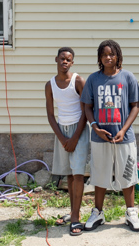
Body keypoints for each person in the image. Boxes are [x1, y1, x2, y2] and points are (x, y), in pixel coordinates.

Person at [81, 39, 139, 232]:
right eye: (104, 54)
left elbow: (135, 106)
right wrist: (95, 127)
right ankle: (97, 212)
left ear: (118, 56)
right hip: (100, 137)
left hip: (124, 137)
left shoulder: (128, 77)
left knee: (127, 175)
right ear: (100, 58)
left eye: (112, 54)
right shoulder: (93, 79)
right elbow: (87, 107)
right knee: (99, 175)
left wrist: (123, 129)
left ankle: (131, 212)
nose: (108, 57)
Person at [45, 47, 89, 236]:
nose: (65, 62)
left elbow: (86, 111)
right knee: (69, 176)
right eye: (62, 58)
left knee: (78, 174)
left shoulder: (78, 81)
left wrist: (75, 138)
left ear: (72, 62)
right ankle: (72, 213)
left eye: (68, 59)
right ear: (56, 59)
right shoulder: (50, 85)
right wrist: (62, 138)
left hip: (78, 129)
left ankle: (77, 217)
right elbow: (50, 114)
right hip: (61, 132)